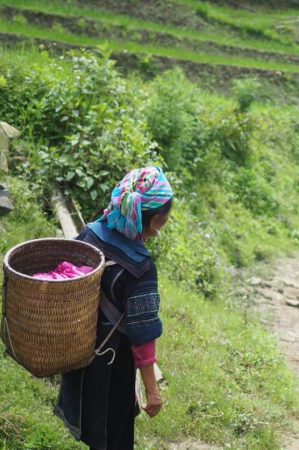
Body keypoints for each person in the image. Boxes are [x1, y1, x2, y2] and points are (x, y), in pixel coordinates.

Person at [56, 167, 174, 450]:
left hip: (80, 345)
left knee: (93, 423)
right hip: (112, 361)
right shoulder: (141, 267)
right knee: (113, 434)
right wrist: (153, 390)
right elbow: (143, 334)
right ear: (155, 219)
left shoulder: (91, 232)